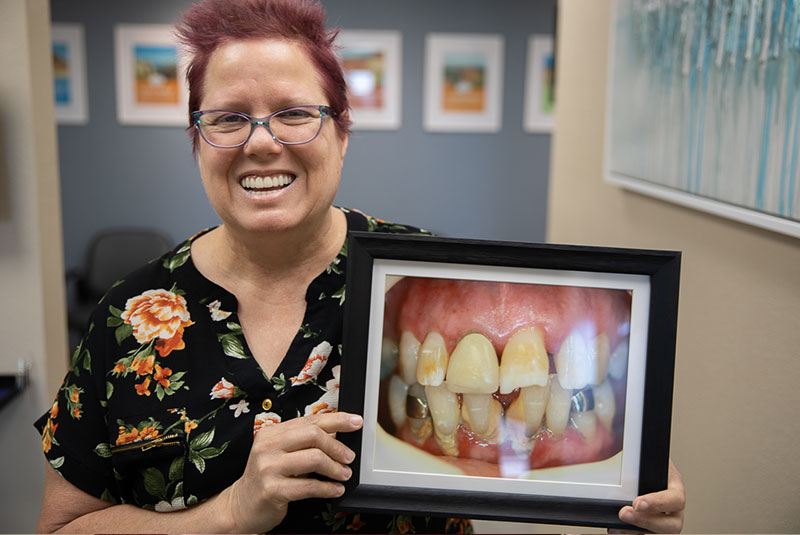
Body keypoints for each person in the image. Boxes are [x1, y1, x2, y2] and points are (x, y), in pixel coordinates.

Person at [34, 0, 685, 532]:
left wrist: (618, 489)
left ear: (342, 133)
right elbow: (62, 528)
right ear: (196, 141)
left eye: (294, 113)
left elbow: (531, 416)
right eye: (228, 118)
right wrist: (227, 513)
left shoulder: (430, 276)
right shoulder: (128, 314)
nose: (262, 143)